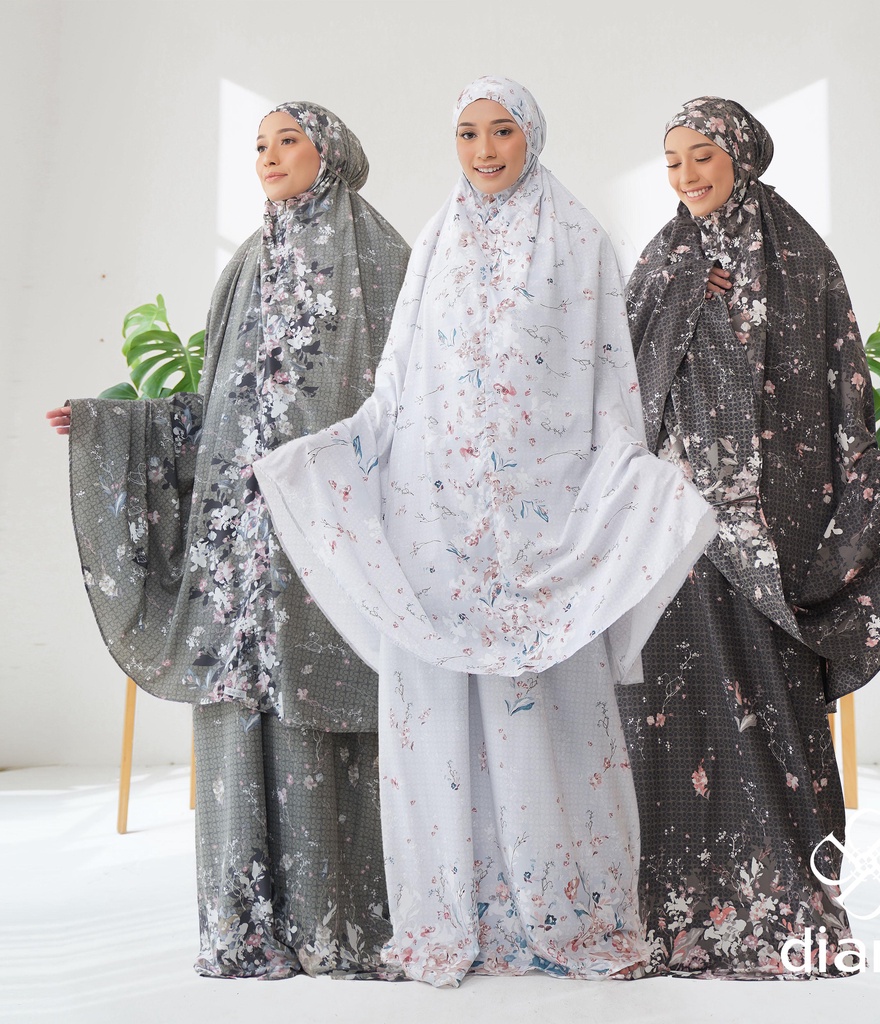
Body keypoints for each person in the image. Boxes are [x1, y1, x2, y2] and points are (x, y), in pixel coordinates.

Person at [252, 77, 717, 987]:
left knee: (547, 712)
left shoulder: (579, 239)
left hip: (545, 526)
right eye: (468, 134)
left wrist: (629, 480)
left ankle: (563, 911)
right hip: (436, 517)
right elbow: (398, 381)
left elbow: (608, 382)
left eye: (502, 131)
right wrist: (336, 450)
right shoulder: (436, 239)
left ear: (531, 136)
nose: (484, 151)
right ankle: (450, 912)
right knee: (438, 711)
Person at [616, 96, 880, 978]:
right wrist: (681, 298)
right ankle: (659, 905)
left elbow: (837, 387)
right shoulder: (664, 254)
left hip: (767, 523)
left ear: (740, 154)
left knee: (770, 695)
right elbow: (620, 375)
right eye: (673, 161)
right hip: (669, 525)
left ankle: (781, 893)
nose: (687, 175)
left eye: (702, 155)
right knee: (660, 701)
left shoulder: (800, 256)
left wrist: (809, 505)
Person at [46, 102, 411, 978]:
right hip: (238, 544)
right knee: (240, 704)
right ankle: (246, 926)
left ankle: (334, 918)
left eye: (289, 141)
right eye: (259, 145)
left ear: (330, 152)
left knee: (324, 699)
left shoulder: (383, 256)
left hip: (329, 536)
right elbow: (215, 414)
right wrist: (109, 425)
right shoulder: (247, 261)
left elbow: (414, 404)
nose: (269, 157)